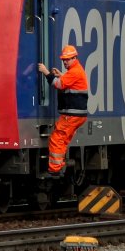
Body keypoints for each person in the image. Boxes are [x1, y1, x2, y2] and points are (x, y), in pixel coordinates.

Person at [38, 44, 89, 177]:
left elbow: (58, 84)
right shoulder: (76, 70)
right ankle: (59, 164)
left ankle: (55, 169)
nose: (65, 62)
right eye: (63, 60)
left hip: (72, 114)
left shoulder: (75, 72)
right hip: (77, 114)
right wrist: (60, 75)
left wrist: (45, 72)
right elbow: (66, 82)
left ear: (74, 58)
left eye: (67, 59)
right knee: (63, 140)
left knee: (57, 138)